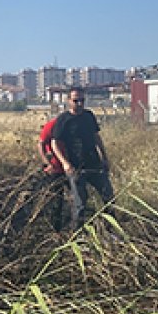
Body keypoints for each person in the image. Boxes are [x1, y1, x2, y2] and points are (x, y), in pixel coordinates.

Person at [51, 87, 114, 230]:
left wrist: (104, 157)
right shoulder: (63, 120)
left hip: (94, 164)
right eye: (76, 101)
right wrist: (65, 163)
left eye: (82, 101)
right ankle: (77, 236)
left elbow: (96, 137)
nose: (79, 104)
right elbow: (54, 143)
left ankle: (110, 231)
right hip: (76, 167)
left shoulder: (88, 116)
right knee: (80, 204)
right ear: (68, 101)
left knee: (108, 197)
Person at [37, 116, 70, 232]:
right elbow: (40, 144)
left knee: (78, 199)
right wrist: (47, 163)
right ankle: (55, 230)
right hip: (55, 169)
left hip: (71, 168)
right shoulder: (51, 125)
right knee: (56, 200)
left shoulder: (73, 124)